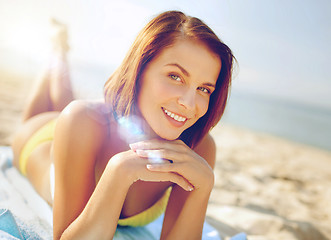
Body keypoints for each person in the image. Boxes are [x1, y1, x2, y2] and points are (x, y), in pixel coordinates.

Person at [11, 10, 235, 239]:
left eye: (204, 89)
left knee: (65, 102)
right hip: (38, 138)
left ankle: (59, 51)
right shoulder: (81, 120)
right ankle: (57, 51)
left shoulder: (199, 148)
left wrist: (203, 188)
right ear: (140, 68)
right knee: (61, 95)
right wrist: (117, 174)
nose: (188, 104)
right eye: (175, 76)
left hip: (85, 126)